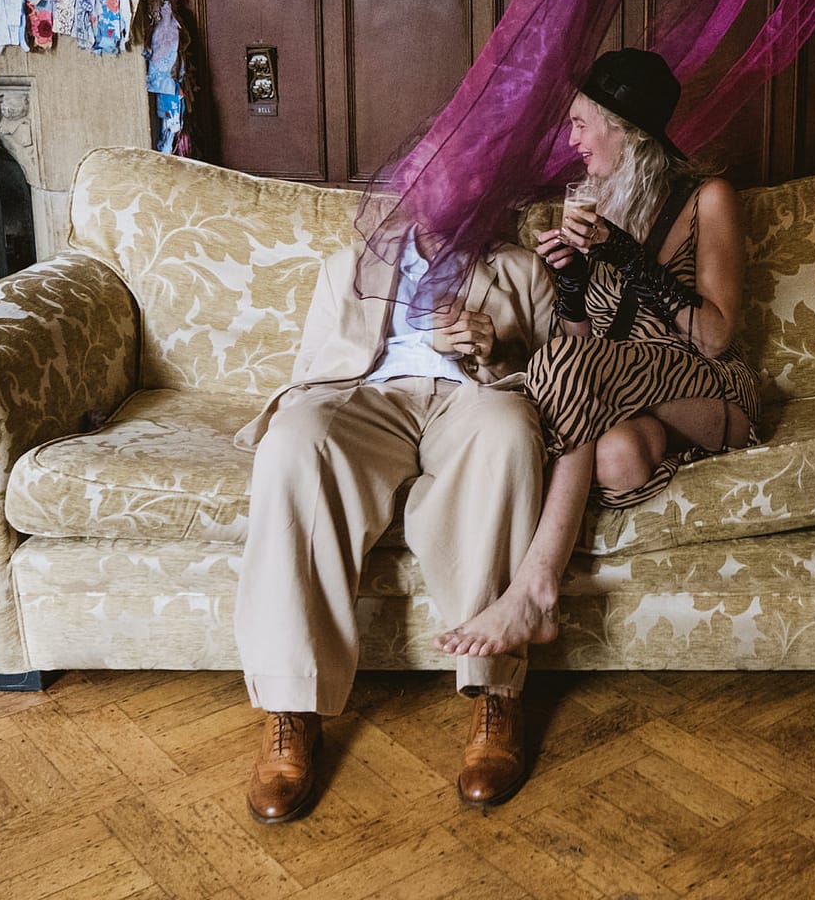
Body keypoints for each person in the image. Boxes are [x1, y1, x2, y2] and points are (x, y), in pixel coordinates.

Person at [432, 48, 761, 658]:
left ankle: (534, 588)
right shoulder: (594, 201)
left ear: (624, 126)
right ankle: (644, 454)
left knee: (566, 371)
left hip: (707, 387)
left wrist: (629, 257)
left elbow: (715, 336)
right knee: (616, 459)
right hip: (617, 389)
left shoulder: (706, 198)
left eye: (582, 122)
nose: (572, 138)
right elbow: (580, 346)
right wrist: (576, 284)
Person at [231, 215, 555, 820]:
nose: (440, 192)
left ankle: (494, 691)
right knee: (294, 440)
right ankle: (291, 706)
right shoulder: (348, 267)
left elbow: (547, 384)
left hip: (470, 400)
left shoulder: (520, 268)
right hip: (369, 398)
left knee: (510, 434)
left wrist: (495, 348)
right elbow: (311, 376)